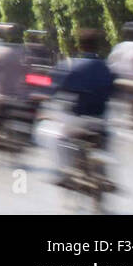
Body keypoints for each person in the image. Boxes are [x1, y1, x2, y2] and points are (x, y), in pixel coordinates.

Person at [50, 29, 116, 185]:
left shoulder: (71, 66)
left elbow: (56, 89)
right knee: (107, 141)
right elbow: (115, 91)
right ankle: (105, 175)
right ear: (98, 47)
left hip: (77, 120)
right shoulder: (106, 68)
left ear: (80, 46)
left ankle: (65, 172)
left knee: (59, 139)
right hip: (100, 120)